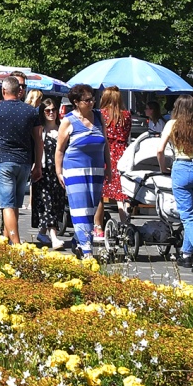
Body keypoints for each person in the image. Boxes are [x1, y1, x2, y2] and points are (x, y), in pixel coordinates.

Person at [0, 76, 43, 244]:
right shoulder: (30, 111)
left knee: (7, 204)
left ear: (3, 90)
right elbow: (38, 139)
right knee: (15, 205)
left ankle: (16, 243)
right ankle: (7, 241)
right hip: (24, 162)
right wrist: (38, 164)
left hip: (4, 160)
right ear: (19, 91)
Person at [157, 94, 193, 272]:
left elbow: (160, 150)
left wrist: (163, 167)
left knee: (187, 216)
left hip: (181, 167)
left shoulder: (172, 124)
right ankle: (186, 254)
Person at [57, 84, 109, 259]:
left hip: (96, 170)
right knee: (81, 210)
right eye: (87, 100)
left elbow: (106, 144)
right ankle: (88, 251)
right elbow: (59, 149)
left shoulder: (99, 117)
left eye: (93, 99)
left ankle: (78, 241)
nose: (91, 102)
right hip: (74, 169)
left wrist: (108, 167)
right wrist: (59, 172)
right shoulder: (68, 120)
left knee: (92, 209)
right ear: (76, 102)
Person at [96, 86, 131, 244]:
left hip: (106, 153)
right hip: (122, 153)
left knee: (100, 193)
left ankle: (98, 227)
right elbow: (127, 134)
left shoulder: (101, 114)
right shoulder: (126, 115)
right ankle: (125, 224)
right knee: (122, 193)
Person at [32, 97, 69, 249]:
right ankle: (54, 237)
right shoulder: (40, 130)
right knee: (47, 204)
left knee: (57, 204)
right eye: (47, 111)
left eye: (53, 110)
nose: (51, 113)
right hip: (43, 172)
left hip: (58, 173)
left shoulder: (62, 128)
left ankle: (42, 232)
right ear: (43, 112)